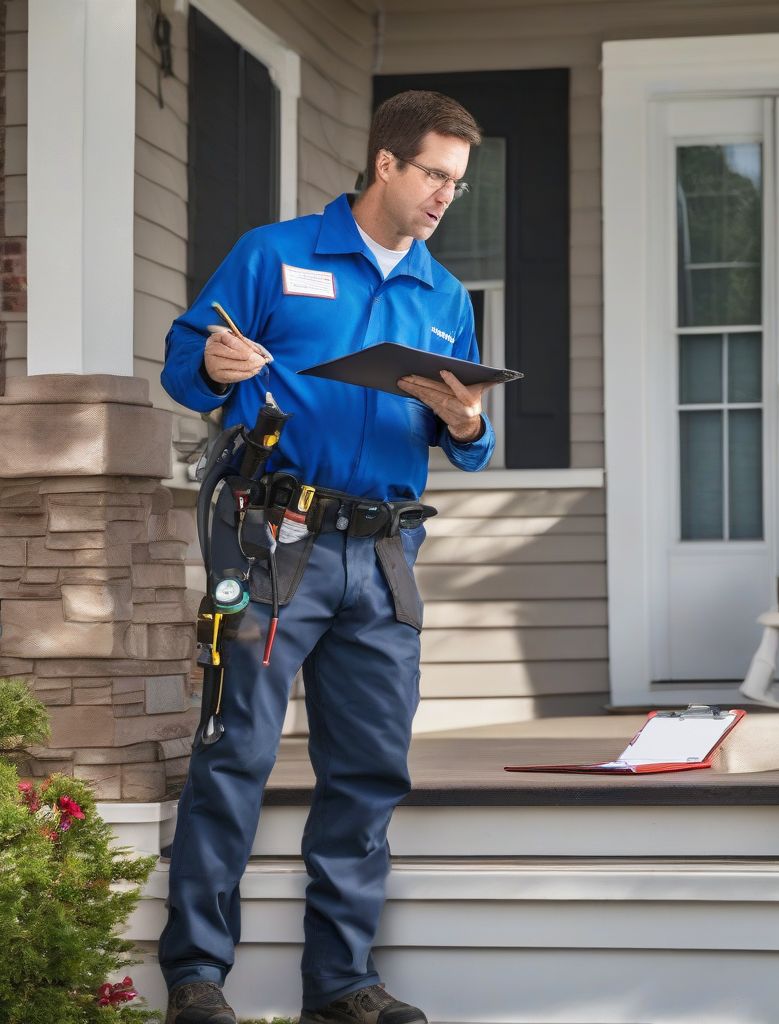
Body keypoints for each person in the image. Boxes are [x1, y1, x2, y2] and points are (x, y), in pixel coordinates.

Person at [159, 90, 494, 1024]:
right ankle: (196, 977)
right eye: (434, 174)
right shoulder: (276, 254)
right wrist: (214, 367)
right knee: (236, 755)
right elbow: (185, 365)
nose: (444, 197)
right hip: (274, 541)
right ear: (385, 164)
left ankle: (341, 985)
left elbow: (467, 441)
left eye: (457, 184)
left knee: (369, 772)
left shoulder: (445, 295)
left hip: (383, 556)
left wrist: (469, 421)